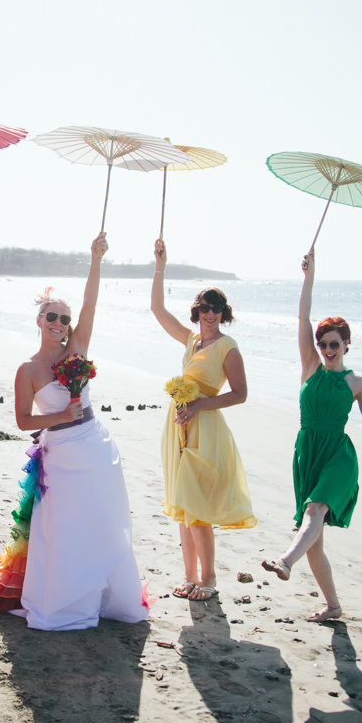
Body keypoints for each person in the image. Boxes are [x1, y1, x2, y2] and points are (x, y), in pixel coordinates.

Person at [262, 249, 362, 621]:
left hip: (338, 456)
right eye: (323, 344)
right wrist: (309, 275)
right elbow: (302, 316)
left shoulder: (357, 383)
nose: (327, 349)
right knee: (316, 543)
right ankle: (334, 606)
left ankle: (286, 561)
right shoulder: (309, 366)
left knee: (315, 509)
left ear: (347, 344)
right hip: (308, 451)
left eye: (334, 344)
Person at [6, 232, 148, 631]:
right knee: (64, 529)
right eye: (51, 316)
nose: (59, 323)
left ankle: (105, 597)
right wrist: (61, 417)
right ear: (39, 321)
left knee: (101, 520)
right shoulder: (28, 370)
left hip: (96, 446)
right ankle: (66, 601)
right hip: (61, 455)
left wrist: (95, 259)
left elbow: (91, 303)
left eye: (64, 319)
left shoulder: (77, 351)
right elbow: (22, 422)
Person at [151, 239, 256, 601]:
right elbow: (156, 308)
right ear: (197, 312)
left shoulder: (229, 347)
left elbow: (240, 393)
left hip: (205, 428)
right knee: (182, 505)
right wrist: (160, 264)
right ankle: (189, 575)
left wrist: (198, 405)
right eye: (205, 308)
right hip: (178, 428)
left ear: (223, 313)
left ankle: (209, 579)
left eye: (217, 309)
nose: (210, 314)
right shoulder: (190, 340)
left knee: (196, 505)